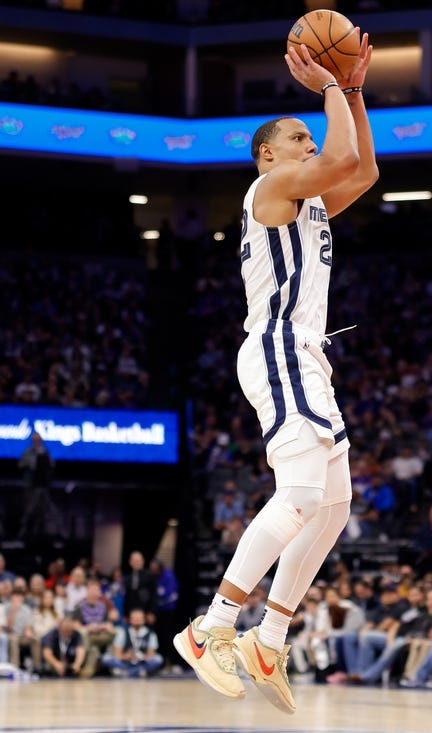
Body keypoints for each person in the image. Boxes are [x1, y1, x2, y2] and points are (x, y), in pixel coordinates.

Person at [173, 32, 378, 715]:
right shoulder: (271, 186)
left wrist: (350, 89)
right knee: (297, 496)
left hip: (305, 356)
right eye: (297, 136)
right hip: (279, 351)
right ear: (266, 155)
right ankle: (212, 625)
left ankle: (270, 634)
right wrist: (328, 85)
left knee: (335, 503)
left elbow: (364, 170)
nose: (308, 142)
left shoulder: (309, 197)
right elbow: (343, 154)